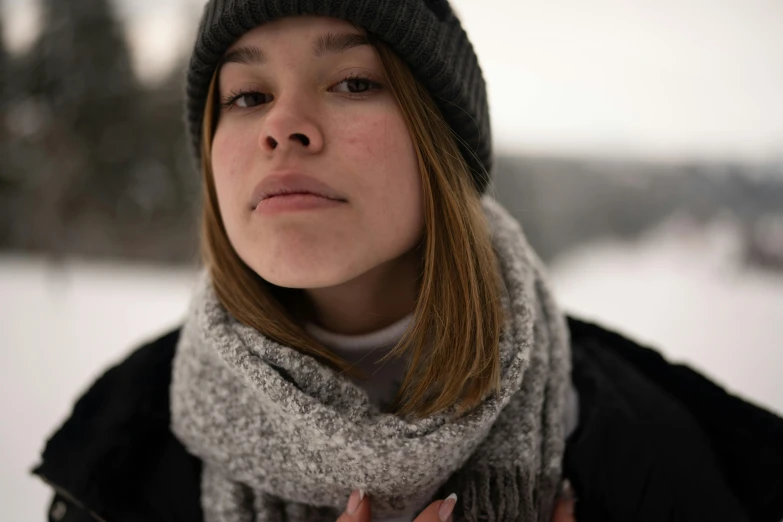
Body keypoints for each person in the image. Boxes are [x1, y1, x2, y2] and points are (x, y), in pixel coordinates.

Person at [32, 1, 783, 521]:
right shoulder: (120, 446)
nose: (283, 126)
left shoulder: (656, 448)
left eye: (354, 81)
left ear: (440, 146)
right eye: (247, 94)